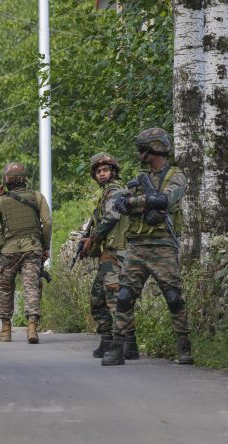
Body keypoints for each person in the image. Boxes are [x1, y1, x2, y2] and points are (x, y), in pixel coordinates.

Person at [102, 127, 193, 366]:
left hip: (163, 245)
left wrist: (138, 203)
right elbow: (120, 204)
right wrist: (145, 204)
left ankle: (184, 346)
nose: (140, 153)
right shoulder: (139, 178)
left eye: (143, 148)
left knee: (173, 297)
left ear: (156, 147)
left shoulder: (176, 176)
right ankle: (117, 347)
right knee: (124, 296)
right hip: (137, 246)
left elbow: (164, 199)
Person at [0, 162, 51, 344]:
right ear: (24, 179)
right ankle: (32, 328)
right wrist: (45, 246)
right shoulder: (37, 197)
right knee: (31, 287)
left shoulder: (1, 201)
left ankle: (6, 331)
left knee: (6, 289)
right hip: (32, 248)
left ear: (6, 181)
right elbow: (47, 223)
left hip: (9, 252)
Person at [79, 153, 139, 359]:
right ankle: (107, 339)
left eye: (105, 170)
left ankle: (128, 343)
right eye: (98, 171)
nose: (102, 174)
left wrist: (92, 239)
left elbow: (111, 217)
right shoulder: (107, 193)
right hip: (109, 253)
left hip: (118, 251)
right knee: (98, 297)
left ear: (113, 172)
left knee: (115, 297)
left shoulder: (115, 191)